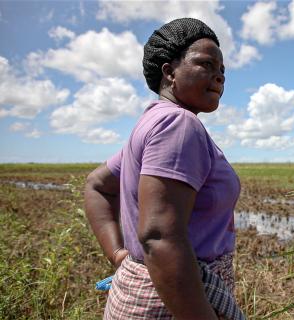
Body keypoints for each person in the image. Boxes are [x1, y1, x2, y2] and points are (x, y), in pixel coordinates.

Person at [84, 18, 244, 320]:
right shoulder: (178, 125)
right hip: (175, 300)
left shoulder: (154, 123)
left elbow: (97, 183)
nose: (219, 76)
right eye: (206, 64)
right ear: (169, 72)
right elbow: (160, 238)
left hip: (144, 291)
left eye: (222, 70)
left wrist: (120, 256)